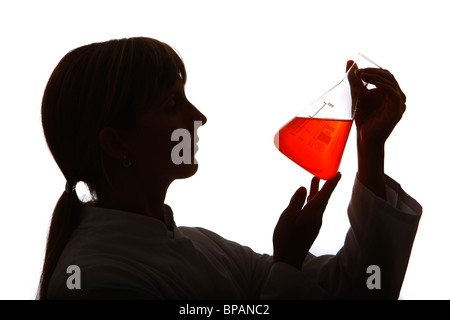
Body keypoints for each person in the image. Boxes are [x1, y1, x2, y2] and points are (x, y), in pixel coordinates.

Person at [38, 37, 421, 300]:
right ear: (117, 143)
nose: (199, 118)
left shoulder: (204, 249)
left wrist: (370, 149)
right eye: (172, 104)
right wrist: (285, 262)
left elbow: (355, 291)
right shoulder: (96, 281)